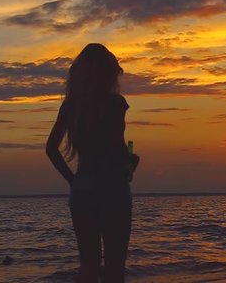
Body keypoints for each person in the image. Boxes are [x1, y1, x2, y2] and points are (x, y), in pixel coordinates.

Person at [46, 43, 139, 283]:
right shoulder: (116, 104)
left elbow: (51, 149)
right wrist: (130, 161)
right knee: (114, 267)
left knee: (88, 265)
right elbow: (116, 148)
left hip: (83, 189)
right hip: (113, 187)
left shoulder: (70, 105)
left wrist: (73, 180)